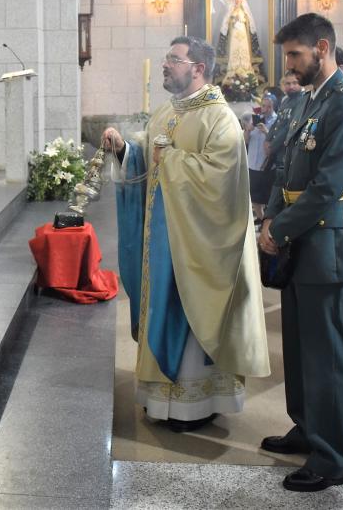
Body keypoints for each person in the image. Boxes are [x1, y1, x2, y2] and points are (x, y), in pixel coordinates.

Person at [103, 36, 270, 434]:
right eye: (166, 58)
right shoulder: (165, 112)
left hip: (198, 245)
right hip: (160, 244)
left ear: (198, 68)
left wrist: (171, 160)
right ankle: (161, 400)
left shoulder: (219, 117)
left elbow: (221, 179)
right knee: (162, 309)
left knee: (193, 313)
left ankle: (196, 406)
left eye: (174, 59)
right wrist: (125, 149)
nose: (165, 64)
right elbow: (146, 161)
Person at [258, 13, 343, 493]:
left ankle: (332, 457)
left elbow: (328, 185)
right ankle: (307, 427)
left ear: (322, 48)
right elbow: (286, 166)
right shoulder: (308, 99)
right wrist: (270, 217)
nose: (289, 64)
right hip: (298, 239)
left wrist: (280, 230)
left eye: (295, 55)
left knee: (326, 356)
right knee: (300, 349)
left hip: (326, 243)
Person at [216, 0, 263, 81]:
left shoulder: (245, 11)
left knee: (244, 49)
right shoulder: (231, 11)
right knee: (234, 49)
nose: (238, 0)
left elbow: (250, 24)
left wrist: (244, 20)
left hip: (243, 34)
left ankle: (246, 70)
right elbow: (226, 24)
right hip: (234, 34)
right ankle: (233, 71)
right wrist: (233, 19)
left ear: (242, 0)